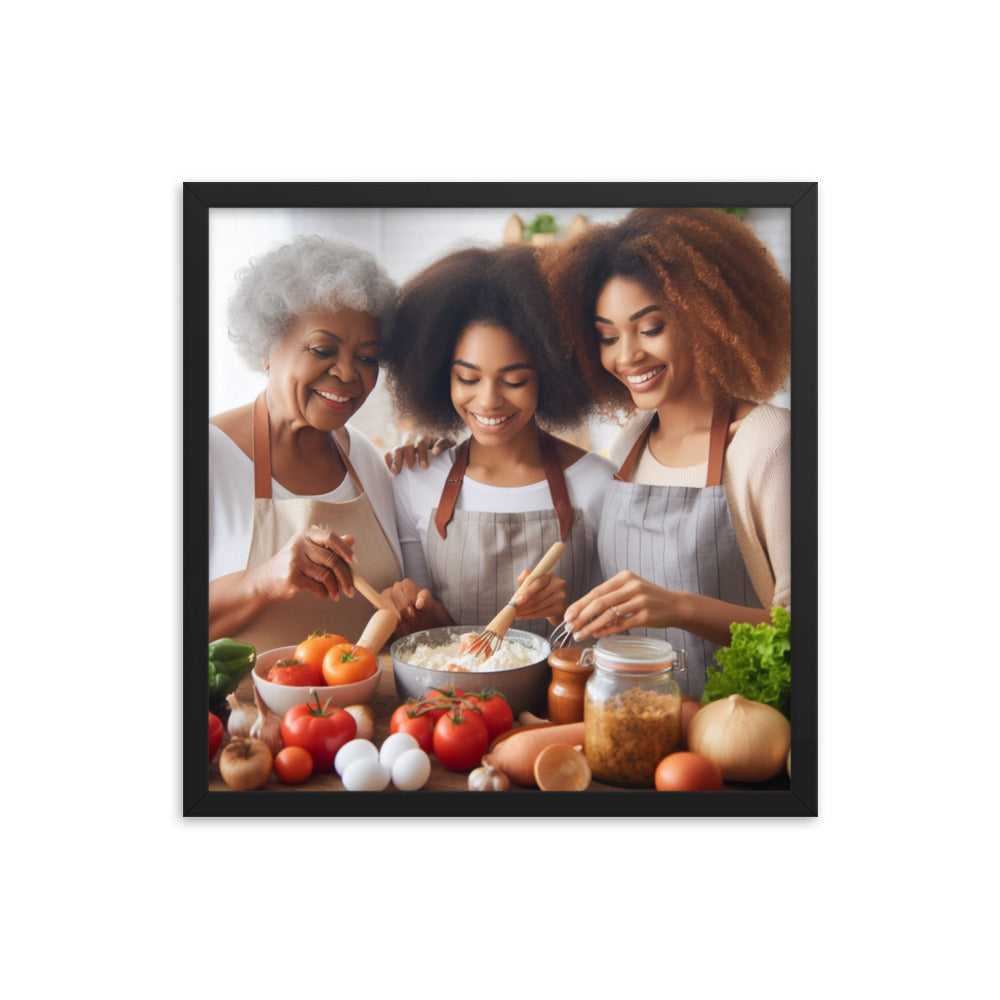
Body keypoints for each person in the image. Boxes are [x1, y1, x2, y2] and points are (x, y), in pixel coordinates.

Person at [546, 208, 791, 697]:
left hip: (740, 736)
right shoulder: (630, 441)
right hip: (637, 723)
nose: (626, 355)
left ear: (707, 318)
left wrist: (679, 608)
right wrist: (560, 606)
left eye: (650, 327)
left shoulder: (768, 443)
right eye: (607, 336)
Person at [379, 244, 614, 637]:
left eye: (515, 380)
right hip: (453, 697)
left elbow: (616, 642)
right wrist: (417, 613)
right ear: (440, 376)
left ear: (551, 376)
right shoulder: (415, 479)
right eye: (468, 379)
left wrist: (563, 614)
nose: (488, 400)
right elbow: (429, 636)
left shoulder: (600, 483)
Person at [209, 234, 403, 650]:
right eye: (322, 349)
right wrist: (264, 580)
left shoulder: (366, 460)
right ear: (266, 348)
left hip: (366, 713)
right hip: (243, 715)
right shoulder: (207, 455)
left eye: (367, 358)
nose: (349, 374)